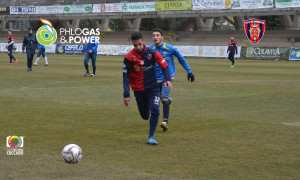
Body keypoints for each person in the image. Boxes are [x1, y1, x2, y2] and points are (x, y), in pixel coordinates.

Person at [123, 32, 172, 145]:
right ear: (132, 44)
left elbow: (164, 66)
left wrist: (168, 79)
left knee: (155, 110)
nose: (138, 47)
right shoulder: (129, 57)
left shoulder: (152, 52)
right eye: (135, 45)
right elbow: (125, 76)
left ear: (144, 41)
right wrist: (126, 94)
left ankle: (151, 137)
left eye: (140, 44)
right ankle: (150, 106)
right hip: (138, 90)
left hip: (152, 87)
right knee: (145, 115)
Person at [148, 28, 194, 132]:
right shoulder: (149, 49)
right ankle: (169, 102)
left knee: (163, 98)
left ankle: (165, 122)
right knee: (156, 99)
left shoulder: (170, 48)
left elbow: (181, 59)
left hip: (167, 78)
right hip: (154, 78)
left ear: (162, 37)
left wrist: (189, 72)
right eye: (153, 35)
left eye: (157, 35)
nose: (155, 37)